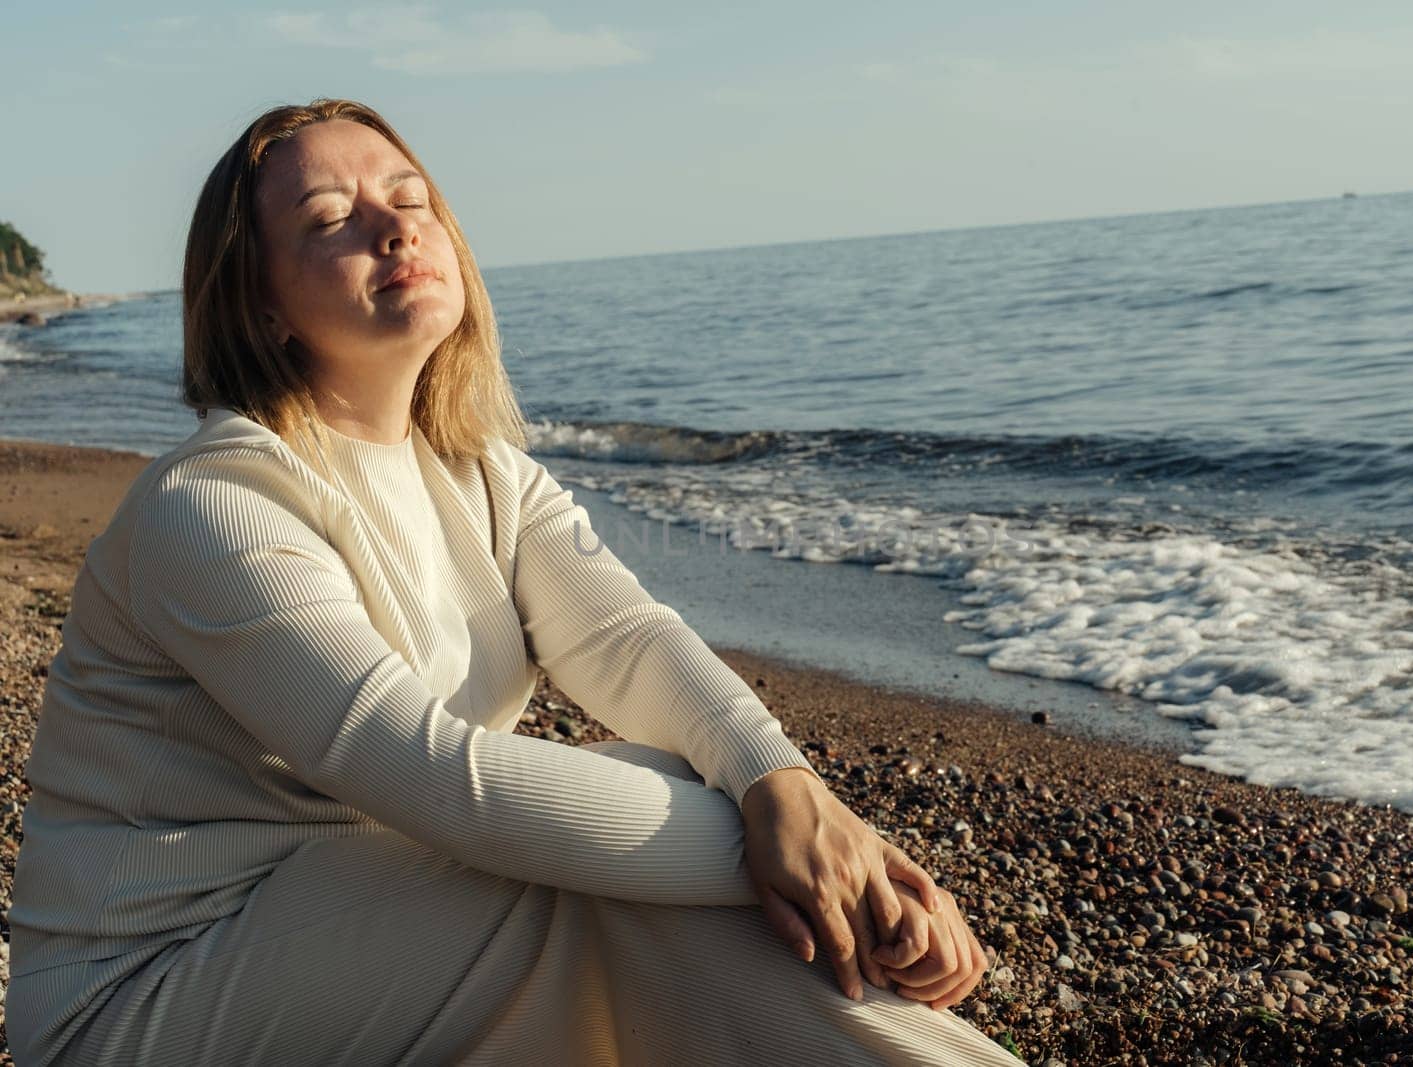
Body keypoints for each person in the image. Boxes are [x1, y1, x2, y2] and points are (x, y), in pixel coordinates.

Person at [5, 98, 1017, 1065]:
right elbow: (442, 779)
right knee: (587, 868)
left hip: (367, 920)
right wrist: (831, 870)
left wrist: (786, 788)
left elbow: (625, 639)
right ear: (257, 298)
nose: (394, 230)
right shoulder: (215, 500)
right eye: (331, 219)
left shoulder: (480, 471)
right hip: (144, 991)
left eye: (410, 200)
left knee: (645, 843)